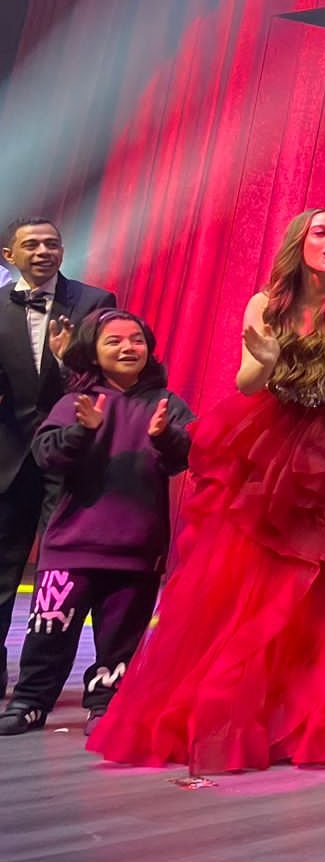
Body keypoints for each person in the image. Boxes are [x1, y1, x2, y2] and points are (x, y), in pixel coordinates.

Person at [89, 209, 325, 773]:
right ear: (298, 242)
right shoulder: (265, 305)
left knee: (322, 585)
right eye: (322, 232)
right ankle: (233, 711)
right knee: (246, 581)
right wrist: (269, 359)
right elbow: (246, 382)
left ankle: (303, 715)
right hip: (268, 439)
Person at [0, 310, 192, 735]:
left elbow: (189, 455)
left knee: (120, 639)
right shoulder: (74, 402)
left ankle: (106, 706)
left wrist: (165, 436)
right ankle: (30, 702)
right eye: (114, 341)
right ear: (92, 351)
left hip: (137, 549)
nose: (128, 348)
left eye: (136, 340)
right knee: (48, 632)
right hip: (71, 546)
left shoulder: (167, 403)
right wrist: (82, 432)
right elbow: (46, 455)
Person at [0, 216, 115, 698]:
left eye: (52, 243)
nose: (44, 251)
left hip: (70, 452)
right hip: (8, 458)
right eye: (32, 244)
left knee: (59, 572)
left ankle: (38, 683)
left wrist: (69, 360)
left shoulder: (94, 302)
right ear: (9, 256)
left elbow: (106, 375)